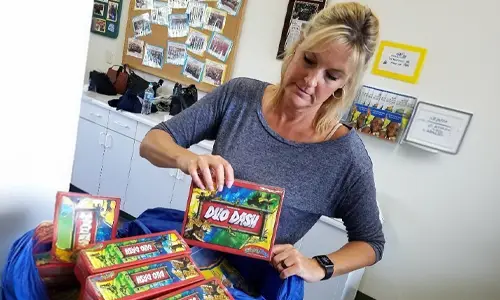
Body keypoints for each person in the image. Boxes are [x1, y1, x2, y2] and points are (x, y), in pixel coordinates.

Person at [140, 1, 384, 283]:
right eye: (309, 60)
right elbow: (152, 141)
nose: (310, 79)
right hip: (193, 263)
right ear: (296, 47)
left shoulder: (347, 157)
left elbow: (371, 242)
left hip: (255, 283)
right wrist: (187, 159)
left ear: (345, 84)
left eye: (331, 76)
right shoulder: (239, 95)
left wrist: (319, 266)